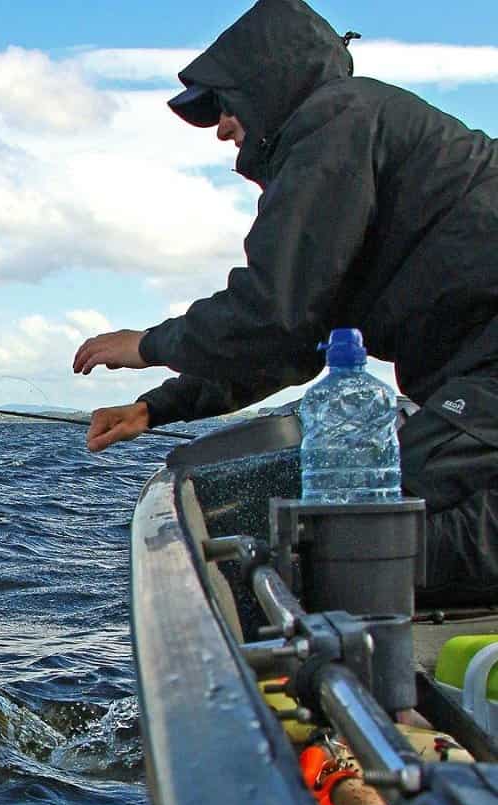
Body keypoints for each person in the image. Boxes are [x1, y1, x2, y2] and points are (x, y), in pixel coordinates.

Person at [72, 0, 498, 604]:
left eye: (225, 106)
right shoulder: (346, 140)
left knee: (362, 542)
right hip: (478, 383)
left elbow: (269, 310)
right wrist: (154, 409)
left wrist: (147, 345)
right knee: (366, 542)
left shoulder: (336, 121)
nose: (222, 128)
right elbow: (295, 343)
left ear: (268, 84)